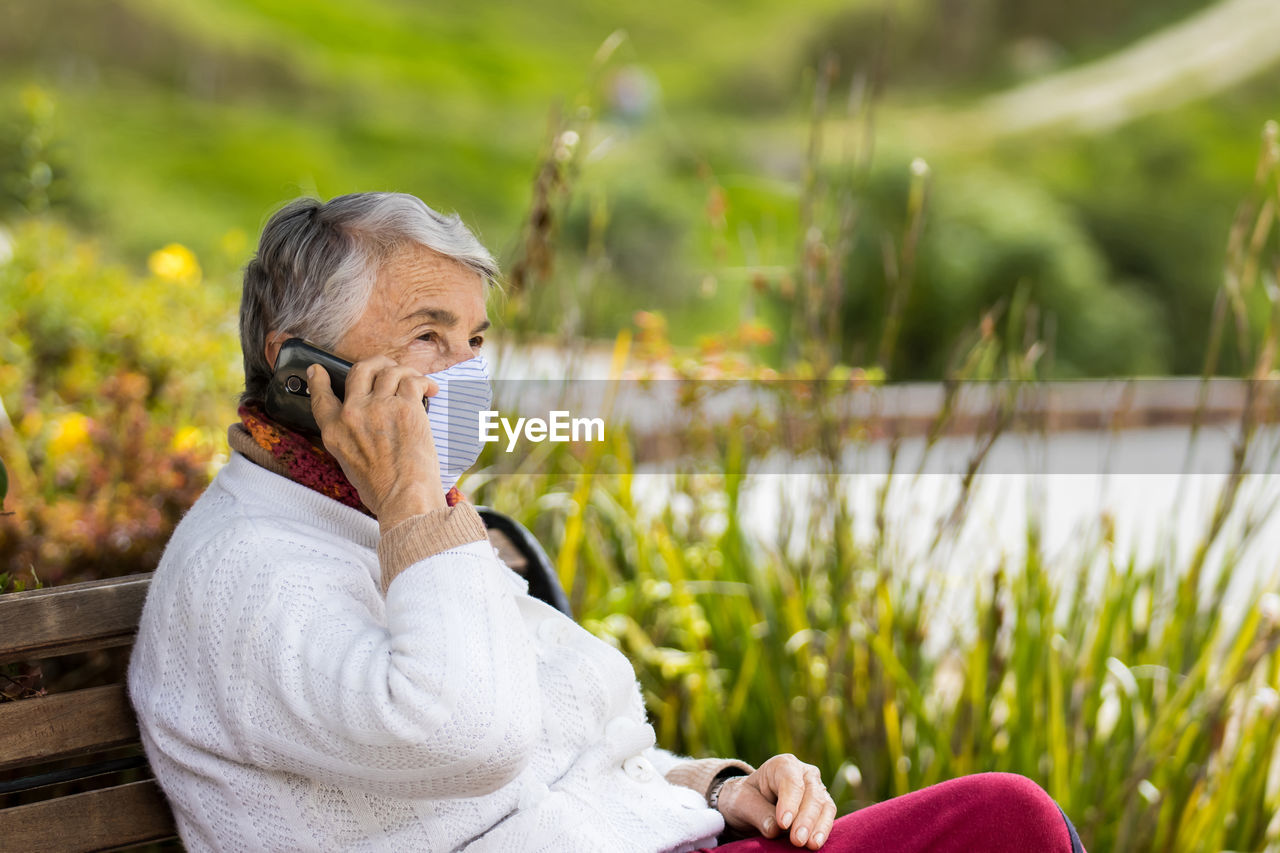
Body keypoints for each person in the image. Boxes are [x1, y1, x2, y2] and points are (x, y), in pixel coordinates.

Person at [128, 192, 1086, 852]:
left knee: (1002, 818)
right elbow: (474, 738)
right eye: (427, 335)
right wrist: (416, 502)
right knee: (1007, 823)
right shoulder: (248, 573)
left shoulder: (371, 521)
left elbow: (561, 757)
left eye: (474, 341)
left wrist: (717, 788)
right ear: (298, 362)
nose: (463, 373)